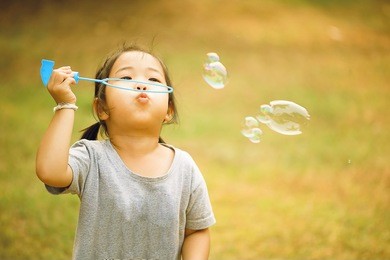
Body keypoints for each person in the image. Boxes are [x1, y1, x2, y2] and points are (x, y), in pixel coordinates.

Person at [36, 44, 216, 260]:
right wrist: (65, 104)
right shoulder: (92, 158)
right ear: (101, 108)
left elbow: (196, 230)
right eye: (127, 78)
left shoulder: (184, 167)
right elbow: (50, 172)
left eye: (154, 80)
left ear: (168, 111)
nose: (141, 85)